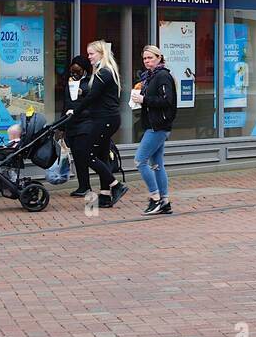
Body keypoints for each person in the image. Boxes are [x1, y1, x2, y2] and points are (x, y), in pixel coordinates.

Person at [67, 40, 127, 207]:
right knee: (101, 154)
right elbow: (97, 94)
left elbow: (92, 97)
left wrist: (75, 112)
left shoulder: (103, 73)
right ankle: (105, 195)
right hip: (107, 118)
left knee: (87, 155)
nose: (89, 57)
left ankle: (116, 185)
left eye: (92, 54)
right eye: (88, 53)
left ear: (101, 53)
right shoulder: (107, 72)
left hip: (105, 119)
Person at [133, 45, 177, 217]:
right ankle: (165, 201)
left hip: (158, 126)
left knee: (139, 161)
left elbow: (167, 101)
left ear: (159, 58)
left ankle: (155, 197)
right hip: (153, 125)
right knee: (157, 164)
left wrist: (144, 99)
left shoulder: (163, 75)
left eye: (150, 58)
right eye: (144, 58)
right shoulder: (149, 77)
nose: (147, 61)